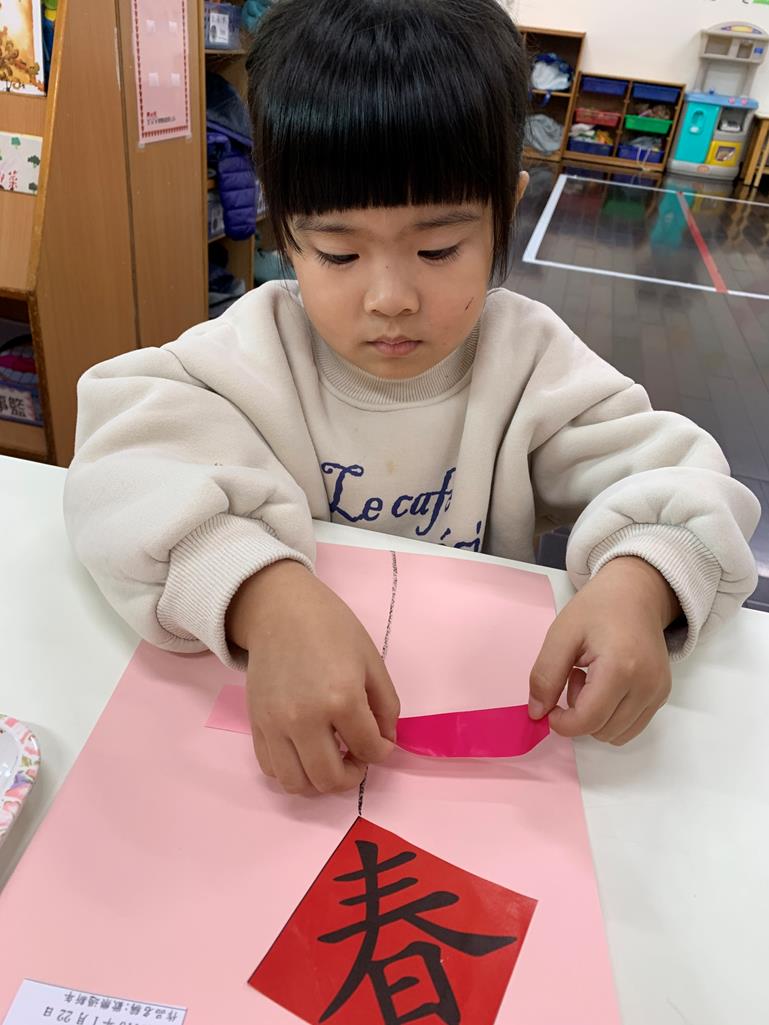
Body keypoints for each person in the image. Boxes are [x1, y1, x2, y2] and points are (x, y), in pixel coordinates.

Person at [64, 0, 759, 796]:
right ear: (284, 232)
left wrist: (642, 582)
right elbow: (119, 466)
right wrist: (261, 594)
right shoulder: (254, 352)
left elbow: (682, 482)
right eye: (337, 253)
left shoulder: (528, 362)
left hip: (466, 728)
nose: (389, 298)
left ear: (506, 211)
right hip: (278, 735)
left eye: (437, 248)